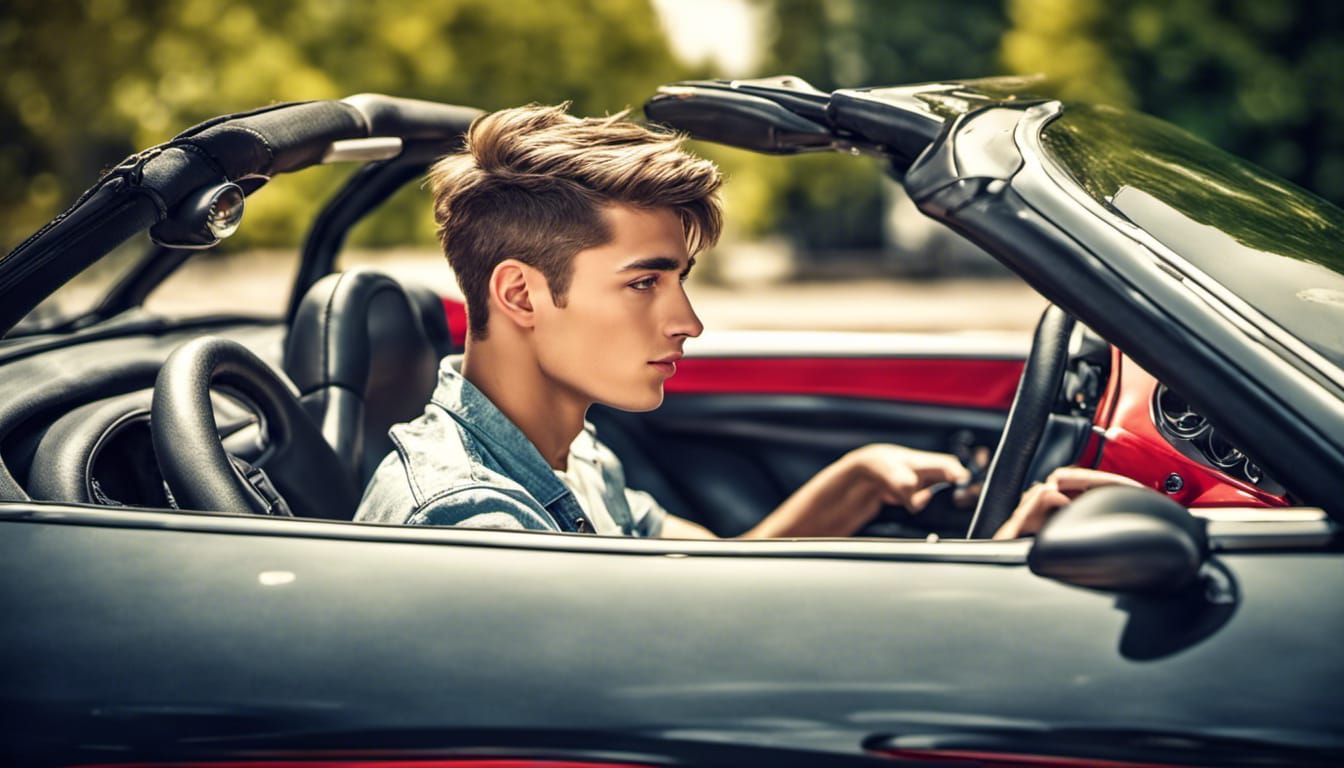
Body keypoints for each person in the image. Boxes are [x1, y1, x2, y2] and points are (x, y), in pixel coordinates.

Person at [354, 104, 1136, 538]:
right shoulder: (475, 522)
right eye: (644, 283)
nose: (687, 321)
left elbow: (711, 583)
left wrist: (857, 482)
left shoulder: (568, 449)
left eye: (681, 282)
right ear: (521, 296)